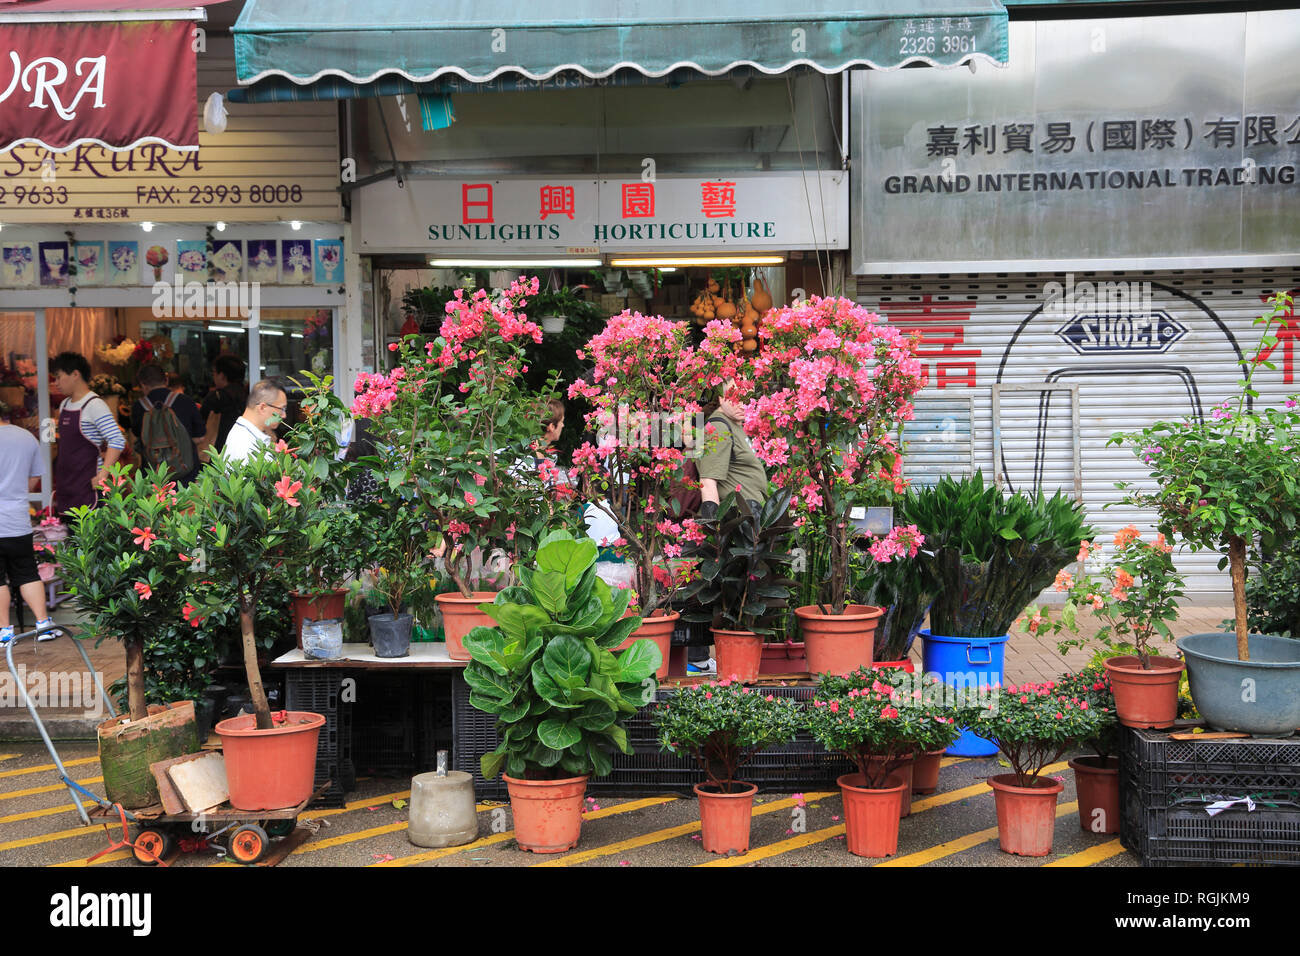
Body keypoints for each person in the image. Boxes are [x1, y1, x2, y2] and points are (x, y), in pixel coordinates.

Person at [688, 380, 770, 675]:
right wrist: (711, 525)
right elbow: (708, 480)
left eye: (746, 395)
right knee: (734, 592)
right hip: (736, 524)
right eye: (733, 395)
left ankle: (736, 663)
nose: (741, 402)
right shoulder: (718, 426)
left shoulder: (733, 425)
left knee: (745, 591)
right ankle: (732, 667)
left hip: (749, 521)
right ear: (720, 397)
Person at [0, 410, 62, 643]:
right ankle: (43, 625)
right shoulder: (26, 437)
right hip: (17, 520)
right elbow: (34, 479)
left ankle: (5, 631)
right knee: (26, 572)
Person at [49, 352, 125, 519]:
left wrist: (103, 474)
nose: (56, 383)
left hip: (88, 487)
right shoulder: (64, 404)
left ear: (75, 374)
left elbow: (117, 439)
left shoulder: (94, 405)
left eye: (58, 377)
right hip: (67, 485)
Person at [130, 364, 206, 485]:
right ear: (166, 380)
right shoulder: (186, 401)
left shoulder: (139, 407)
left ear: (143, 385)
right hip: (187, 474)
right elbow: (200, 437)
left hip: (153, 475)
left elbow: (137, 437)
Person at [222, 378, 288, 465]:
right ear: (262, 408)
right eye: (282, 409)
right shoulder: (243, 443)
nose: (284, 415)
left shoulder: (250, 434)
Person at [200, 353, 248, 454]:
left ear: (222, 376)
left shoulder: (216, 397)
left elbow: (200, 423)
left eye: (214, 373)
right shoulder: (250, 396)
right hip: (244, 447)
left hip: (218, 452)